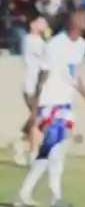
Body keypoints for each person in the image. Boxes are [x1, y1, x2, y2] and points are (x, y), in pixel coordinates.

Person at [13, 6, 85, 207]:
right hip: (49, 102)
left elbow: (75, 75)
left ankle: (24, 193)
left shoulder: (81, 45)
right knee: (56, 149)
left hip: (64, 103)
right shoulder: (55, 44)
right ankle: (55, 197)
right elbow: (42, 75)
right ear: (72, 22)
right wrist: (36, 107)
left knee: (52, 150)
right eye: (81, 18)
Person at [13, 14, 50, 166]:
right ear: (32, 24)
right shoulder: (31, 41)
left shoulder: (40, 42)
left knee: (38, 118)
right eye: (41, 22)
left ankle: (21, 143)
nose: (44, 24)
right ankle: (32, 152)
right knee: (37, 118)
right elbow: (45, 65)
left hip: (37, 86)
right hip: (32, 86)